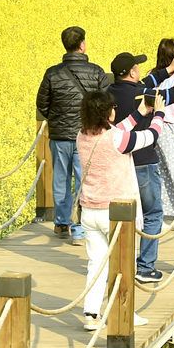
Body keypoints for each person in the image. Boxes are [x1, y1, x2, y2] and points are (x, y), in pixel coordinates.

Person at [76, 83, 169, 330]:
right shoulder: (116, 138)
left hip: (90, 211)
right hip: (116, 213)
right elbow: (150, 136)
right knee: (123, 264)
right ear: (108, 113)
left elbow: (116, 131)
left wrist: (140, 112)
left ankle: (91, 313)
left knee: (96, 263)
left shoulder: (82, 135)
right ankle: (124, 310)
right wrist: (158, 114)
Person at [36, 26, 111, 246]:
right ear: (82, 45)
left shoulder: (52, 73)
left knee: (60, 178)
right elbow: (106, 102)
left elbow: (42, 103)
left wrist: (57, 119)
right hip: (86, 134)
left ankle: (61, 222)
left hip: (59, 136)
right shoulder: (96, 72)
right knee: (83, 181)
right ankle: (79, 230)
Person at [107, 52, 171, 283]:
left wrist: (168, 70)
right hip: (143, 160)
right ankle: (145, 268)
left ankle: (121, 266)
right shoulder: (142, 95)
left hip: (118, 163)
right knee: (152, 213)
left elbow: (146, 83)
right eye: (137, 68)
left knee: (123, 216)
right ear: (133, 72)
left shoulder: (109, 93)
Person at [142, 39, 174, 225]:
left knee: (159, 172)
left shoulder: (151, 76)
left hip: (153, 127)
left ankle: (161, 211)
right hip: (171, 128)